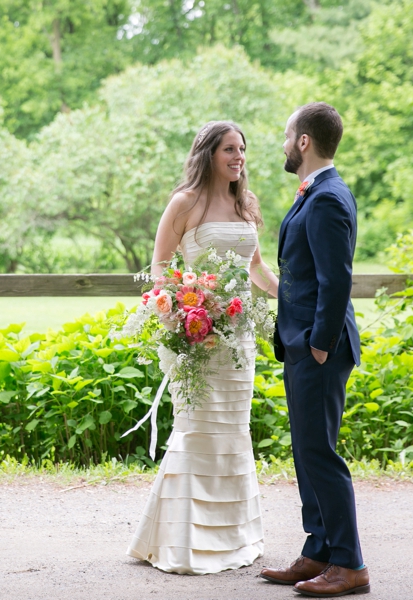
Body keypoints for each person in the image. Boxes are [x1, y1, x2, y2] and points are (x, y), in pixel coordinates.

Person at [126, 121, 279, 575]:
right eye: (230, 149)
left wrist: (289, 299)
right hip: (195, 338)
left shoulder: (244, 204)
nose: (239, 157)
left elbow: (255, 266)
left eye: (243, 150)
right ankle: (181, 541)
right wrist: (178, 317)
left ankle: (233, 539)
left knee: (233, 432)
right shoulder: (185, 203)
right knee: (197, 430)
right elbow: (160, 270)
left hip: (239, 337)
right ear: (208, 153)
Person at [259, 102, 370, 597]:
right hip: (301, 344)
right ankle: (319, 550)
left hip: (318, 348)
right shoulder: (316, 192)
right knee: (307, 451)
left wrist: (319, 346)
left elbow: (336, 280)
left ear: (304, 141)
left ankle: (350, 565)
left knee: (320, 453)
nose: (283, 144)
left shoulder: (326, 197)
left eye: (287, 136)